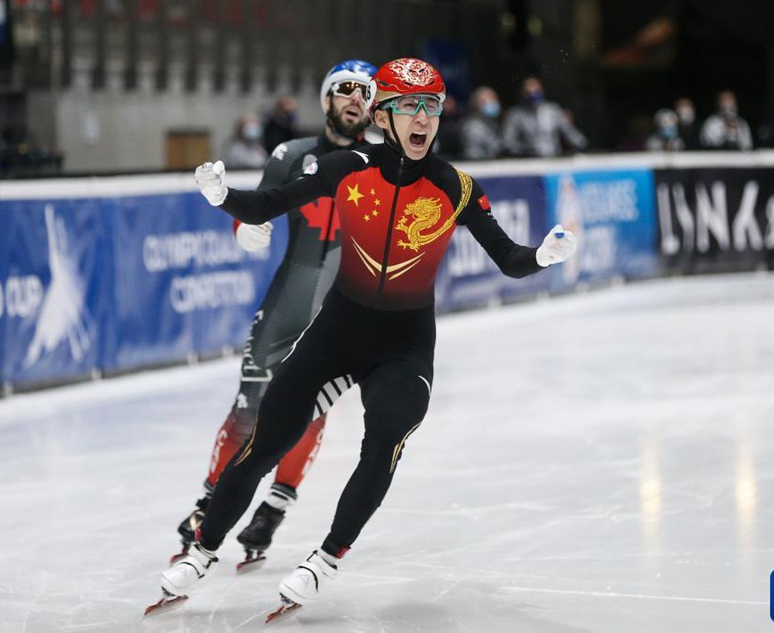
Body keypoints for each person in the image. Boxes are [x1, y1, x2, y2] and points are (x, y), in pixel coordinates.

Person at [155, 58, 576, 616]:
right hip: (337, 335)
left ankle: (324, 559)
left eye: (432, 106)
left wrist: (541, 257)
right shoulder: (345, 166)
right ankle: (203, 552)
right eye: (410, 106)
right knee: (264, 442)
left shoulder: (455, 186)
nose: (423, 118)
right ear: (384, 115)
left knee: (384, 439)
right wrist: (221, 196)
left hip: (404, 349)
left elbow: (509, 258)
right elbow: (267, 205)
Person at [169, 60, 378, 569]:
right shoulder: (292, 154)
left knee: (310, 409)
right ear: (326, 100)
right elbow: (260, 207)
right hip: (287, 298)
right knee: (248, 407)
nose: (356, 99)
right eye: (345, 89)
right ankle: (208, 504)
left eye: (366, 93)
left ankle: (275, 507)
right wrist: (245, 230)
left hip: (339, 312)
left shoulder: (383, 163)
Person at [502, 76, 587, 157]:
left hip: (553, 158)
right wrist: (526, 150)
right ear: (523, 93)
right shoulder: (515, 114)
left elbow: (568, 131)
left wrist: (581, 143)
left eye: (536, 92)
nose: (533, 95)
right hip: (527, 161)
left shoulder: (553, 110)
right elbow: (508, 142)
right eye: (529, 93)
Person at [460, 86, 505, 160]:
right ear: (476, 104)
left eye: (494, 100)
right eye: (485, 101)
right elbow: (472, 155)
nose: (492, 104)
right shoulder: (472, 128)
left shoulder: (492, 124)